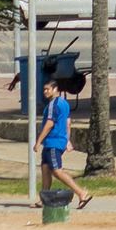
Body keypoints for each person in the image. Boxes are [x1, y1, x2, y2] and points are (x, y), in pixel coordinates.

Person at [41, 73, 91, 212]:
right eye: (44, 89)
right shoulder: (64, 104)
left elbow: (50, 123)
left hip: (53, 142)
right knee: (45, 168)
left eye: (48, 89)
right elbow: (67, 123)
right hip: (56, 141)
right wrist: (67, 140)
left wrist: (38, 140)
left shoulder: (54, 105)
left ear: (55, 89)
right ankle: (44, 198)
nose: (45, 92)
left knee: (57, 171)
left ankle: (81, 193)